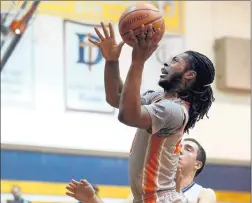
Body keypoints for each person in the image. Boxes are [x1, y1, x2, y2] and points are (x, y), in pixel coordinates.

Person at [81, 22, 215, 203]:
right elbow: (117, 99)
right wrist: (112, 61)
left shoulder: (175, 111)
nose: (167, 63)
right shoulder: (159, 98)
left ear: (189, 74)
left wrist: (138, 61)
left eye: (175, 61)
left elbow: (128, 115)